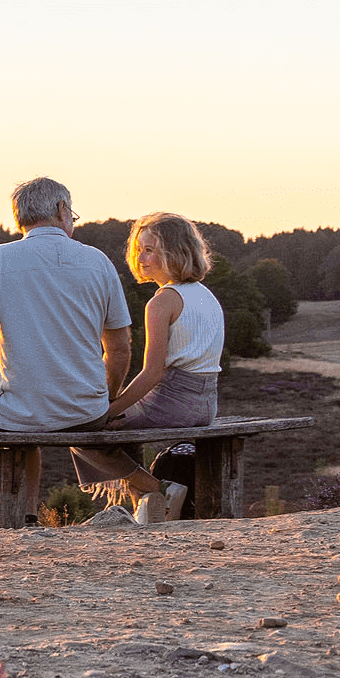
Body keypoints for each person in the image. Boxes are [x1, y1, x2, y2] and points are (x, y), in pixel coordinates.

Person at [0, 177, 128, 527]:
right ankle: (28, 518)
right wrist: (106, 402)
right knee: (26, 415)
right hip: (89, 411)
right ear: (60, 210)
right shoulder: (98, 262)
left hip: (18, 413)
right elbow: (119, 347)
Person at [72, 211, 224, 525]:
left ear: (175, 253)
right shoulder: (207, 297)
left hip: (171, 403)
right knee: (124, 428)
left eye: (150, 250)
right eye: (139, 249)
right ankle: (148, 505)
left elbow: (153, 373)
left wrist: (110, 409)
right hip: (205, 405)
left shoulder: (162, 302)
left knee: (80, 431)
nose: (141, 257)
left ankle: (157, 490)